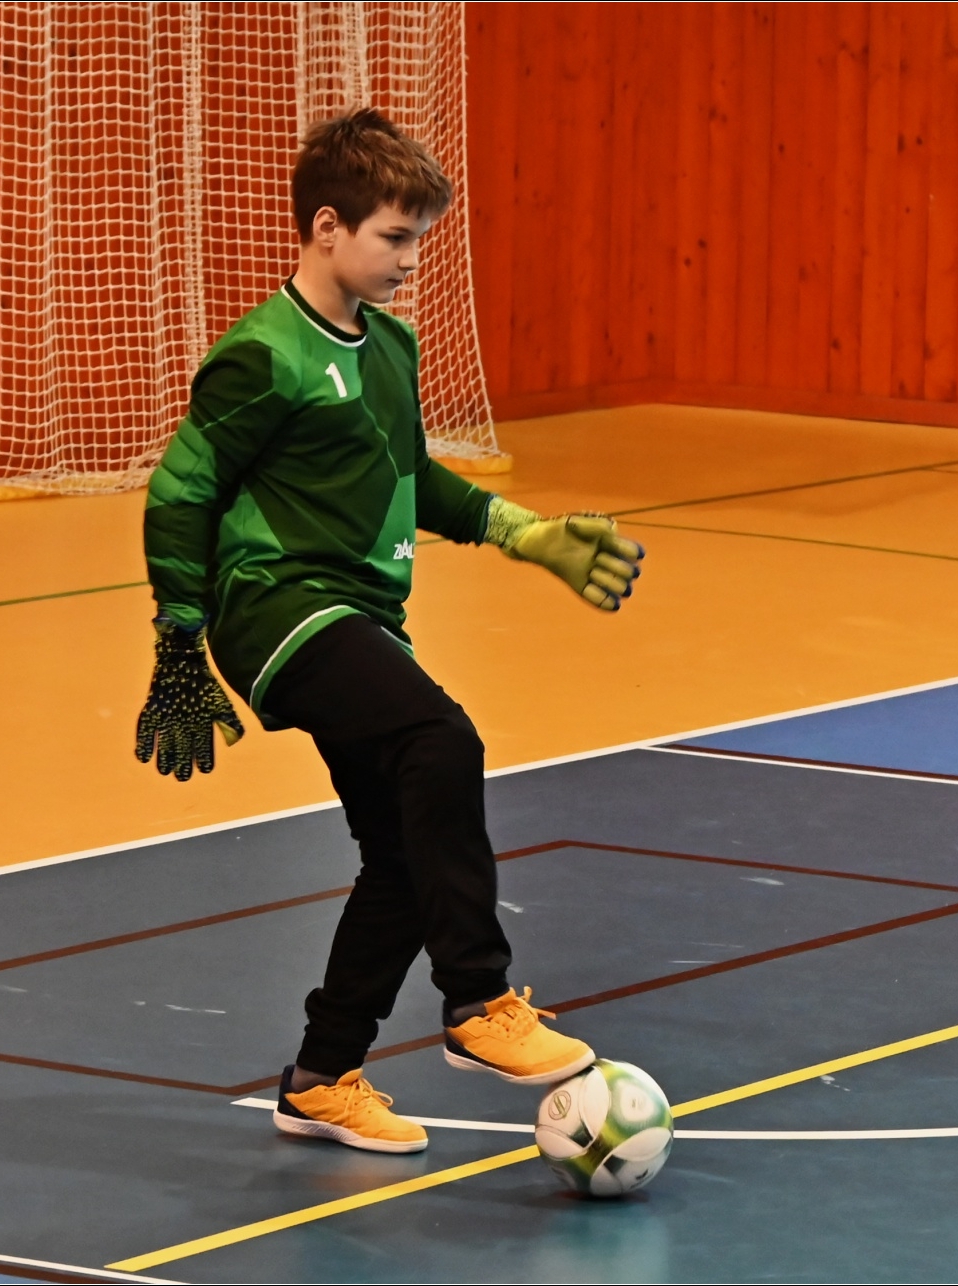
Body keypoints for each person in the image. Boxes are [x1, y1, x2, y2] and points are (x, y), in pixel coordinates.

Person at [134, 108, 645, 1154]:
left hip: (361, 615)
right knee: (440, 737)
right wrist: (179, 639)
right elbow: (180, 494)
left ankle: (321, 1076)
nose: (410, 259)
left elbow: (410, 478)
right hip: (277, 607)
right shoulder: (260, 356)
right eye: (394, 237)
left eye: (419, 239)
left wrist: (523, 532)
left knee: (406, 853)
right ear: (327, 226)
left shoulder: (391, 346)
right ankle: (479, 1000)